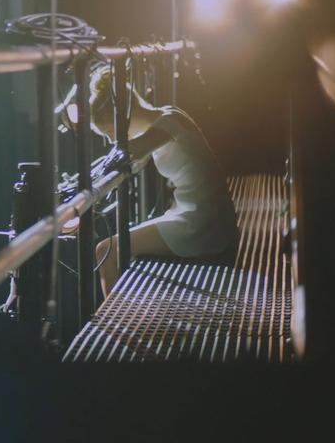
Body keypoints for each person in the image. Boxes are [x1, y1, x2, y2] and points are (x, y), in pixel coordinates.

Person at [86, 62, 239, 296]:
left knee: (104, 250)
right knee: (122, 247)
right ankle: (126, 311)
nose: (111, 140)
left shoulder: (165, 126)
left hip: (201, 223)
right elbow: (134, 156)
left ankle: (114, 326)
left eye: (109, 132)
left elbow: (122, 154)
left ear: (122, 117)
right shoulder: (169, 117)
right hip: (209, 216)